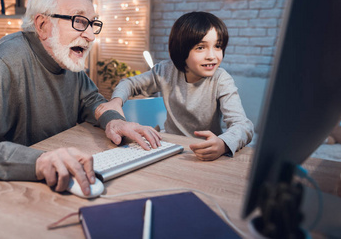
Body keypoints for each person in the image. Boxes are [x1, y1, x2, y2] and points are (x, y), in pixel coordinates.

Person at [0, 0, 161, 196]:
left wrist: (113, 120)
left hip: (57, 183)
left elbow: (91, 101)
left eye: (93, 24)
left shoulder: (66, 57)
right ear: (43, 25)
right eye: (79, 21)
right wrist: (38, 162)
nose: (90, 35)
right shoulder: (4, 61)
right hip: (9, 193)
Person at [96, 11, 254, 161]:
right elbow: (129, 84)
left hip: (204, 152)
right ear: (181, 49)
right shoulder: (165, 71)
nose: (212, 56)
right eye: (201, 47)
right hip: (169, 146)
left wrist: (223, 144)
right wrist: (116, 101)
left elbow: (243, 125)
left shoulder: (221, 79)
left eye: (218, 46)